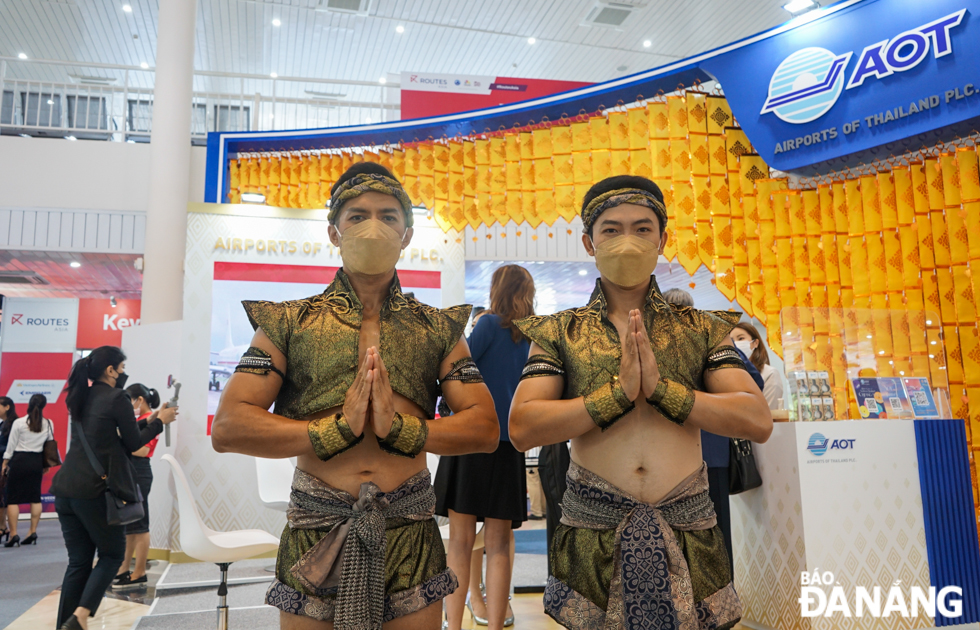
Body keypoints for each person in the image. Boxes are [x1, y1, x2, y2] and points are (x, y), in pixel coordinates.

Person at [210, 162, 499, 630]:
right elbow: (229, 427)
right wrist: (336, 428)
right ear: (333, 231)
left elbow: (485, 428)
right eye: (357, 215)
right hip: (317, 528)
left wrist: (399, 429)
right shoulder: (287, 323)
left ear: (406, 235)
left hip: (409, 528)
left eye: (388, 216)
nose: (373, 226)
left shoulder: (438, 328)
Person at [509, 175, 772, 630]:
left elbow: (756, 418)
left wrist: (664, 391)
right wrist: (617, 395)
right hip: (594, 532)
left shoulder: (700, 328)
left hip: (687, 527)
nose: (627, 239)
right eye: (611, 229)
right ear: (589, 243)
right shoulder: (559, 332)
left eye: (642, 227)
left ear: (662, 239)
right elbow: (523, 427)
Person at [435, 264, 534, 630]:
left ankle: (455, 625)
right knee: (500, 544)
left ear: (497, 289)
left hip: (472, 440)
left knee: (460, 543)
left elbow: (458, 368)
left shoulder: (488, 325)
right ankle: (495, 624)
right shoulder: (530, 335)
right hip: (509, 445)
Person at [50, 346, 177, 630]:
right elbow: (134, 444)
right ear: (110, 370)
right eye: (121, 369)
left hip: (66, 488)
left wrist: (152, 419)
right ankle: (80, 617)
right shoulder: (117, 397)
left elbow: (107, 442)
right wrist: (159, 423)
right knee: (111, 555)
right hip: (94, 491)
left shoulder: (79, 397)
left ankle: (64, 625)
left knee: (79, 563)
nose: (123, 374)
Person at [662, 288, 765, 578]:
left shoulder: (701, 338)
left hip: (679, 456)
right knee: (715, 535)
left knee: (685, 537)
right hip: (709, 453)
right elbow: (753, 379)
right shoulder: (711, 336)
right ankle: (718, 606)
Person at [112, 383, 163, 590]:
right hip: (131, 472)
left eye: (129, 400)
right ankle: (124, 570)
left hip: (139, 472)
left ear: (139, 400)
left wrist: (119, 443)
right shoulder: (139, 420)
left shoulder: (149, 420)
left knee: (140, 524)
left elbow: (142, 451)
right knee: (131, 525)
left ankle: (139, 571)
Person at [2, 394, 51, 547]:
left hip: (19, 461)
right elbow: (48, 447)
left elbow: (11, 446)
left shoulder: (19, 422)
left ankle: (14, 534)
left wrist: (4, 463)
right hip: (36, 461)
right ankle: (32, 531)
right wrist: (46, 465)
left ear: (29, 404)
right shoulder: (48, 423)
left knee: (12, 499)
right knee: (35, 498)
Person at [731, 322, 784, 410]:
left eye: (741, 338)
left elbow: (768, 411)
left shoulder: (769, 373)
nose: (735, 344)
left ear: (755, 343)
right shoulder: (729, 374)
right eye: (731, 341)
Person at [0, 395, 18, 542]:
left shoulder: (13, 424)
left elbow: (11, 446)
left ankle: (3, 527)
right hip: (3, 462)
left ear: (7, 407)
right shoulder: (3, 424)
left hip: (7, 464)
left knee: (4, 497)